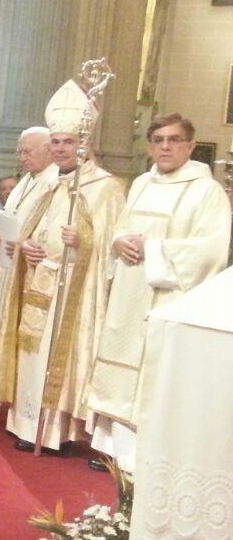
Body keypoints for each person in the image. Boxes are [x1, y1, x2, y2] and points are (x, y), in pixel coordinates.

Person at [84, 112, 230, 472]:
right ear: (150, 146)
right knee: (122, 372)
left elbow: (211, 249)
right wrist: (119, 243)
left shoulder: (206, 191)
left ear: (191, 146)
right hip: (129, 295)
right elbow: (120, 229)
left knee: (155, 376)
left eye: (174, 140)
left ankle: (146, 455)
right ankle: (115, 452)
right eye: (158, 140)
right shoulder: (141, 184)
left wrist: (154, 249)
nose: (165, 147)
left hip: (169, 300)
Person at [0, 79, 125, 451]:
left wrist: (84, 242)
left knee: (56, 357)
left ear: (85, 144)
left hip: (72, 292)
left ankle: (56, 432)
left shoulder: (106, 188)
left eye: (69, 142)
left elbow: (113, 250)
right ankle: (27, 424)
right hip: (39, 281)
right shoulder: (50, 185)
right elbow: (32, 230)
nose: (62, 149)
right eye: (57, 142)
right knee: (33, 355)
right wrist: (27, 247)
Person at [0, 127, 56, 393]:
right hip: (7, 266)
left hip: (29, 272)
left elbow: (49, 233)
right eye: (19, 152)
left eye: (27, 152)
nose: (21, 157)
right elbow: (12, 220)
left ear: (49, 150)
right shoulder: (26, 181)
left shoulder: (54, 181)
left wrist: (26, 246)